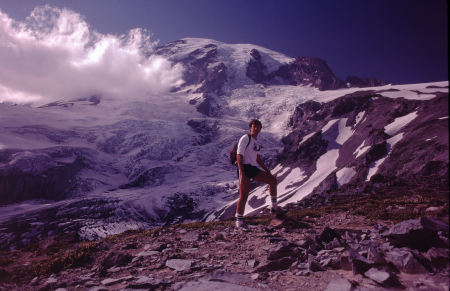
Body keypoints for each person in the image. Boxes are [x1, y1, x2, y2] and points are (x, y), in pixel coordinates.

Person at [235, 119, 281, 228]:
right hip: (244, 168)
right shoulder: (245, 138)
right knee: (244, 195)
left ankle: (274, 207)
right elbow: (239, 156)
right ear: (250, 127)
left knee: (272, 180)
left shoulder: (255, 141)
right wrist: (241, 172)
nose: (255, 128)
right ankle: (239, 222)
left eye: (258, 127)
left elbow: (257, 158)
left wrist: (266, 170)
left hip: (252, 168)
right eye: (254, 126)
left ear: (260, 129)